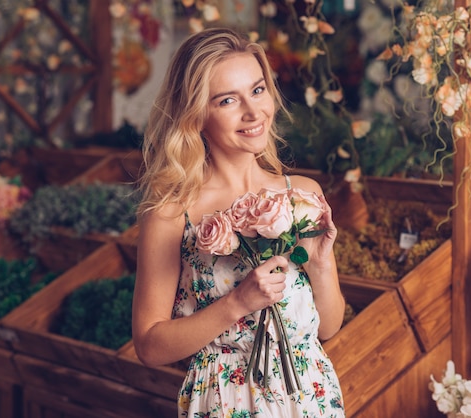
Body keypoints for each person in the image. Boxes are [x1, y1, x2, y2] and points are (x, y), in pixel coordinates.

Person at [132, 27, 345, 417]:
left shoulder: (301, 193)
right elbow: (149, 346)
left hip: (311, 398)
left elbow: (326, 329)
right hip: (226, 402)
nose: (253, 112)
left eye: (258, 90)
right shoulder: (171, 212)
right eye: (228, 100)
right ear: (196, 115)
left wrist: (320, 262)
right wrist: (238, 302)